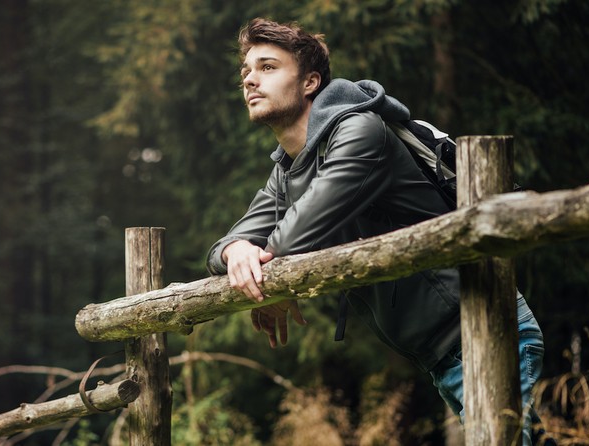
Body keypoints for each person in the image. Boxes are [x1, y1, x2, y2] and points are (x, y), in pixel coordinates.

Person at [206, 18, 550, 445]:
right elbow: (223, 247)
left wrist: (263, 278)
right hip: (445, 350)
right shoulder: (288, 168)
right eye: (246, 71)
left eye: (268, 67)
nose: (251, 80)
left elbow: (293, 239)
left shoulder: (360, 132)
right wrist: (236, 250)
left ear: (311, 81)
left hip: (485, 326)